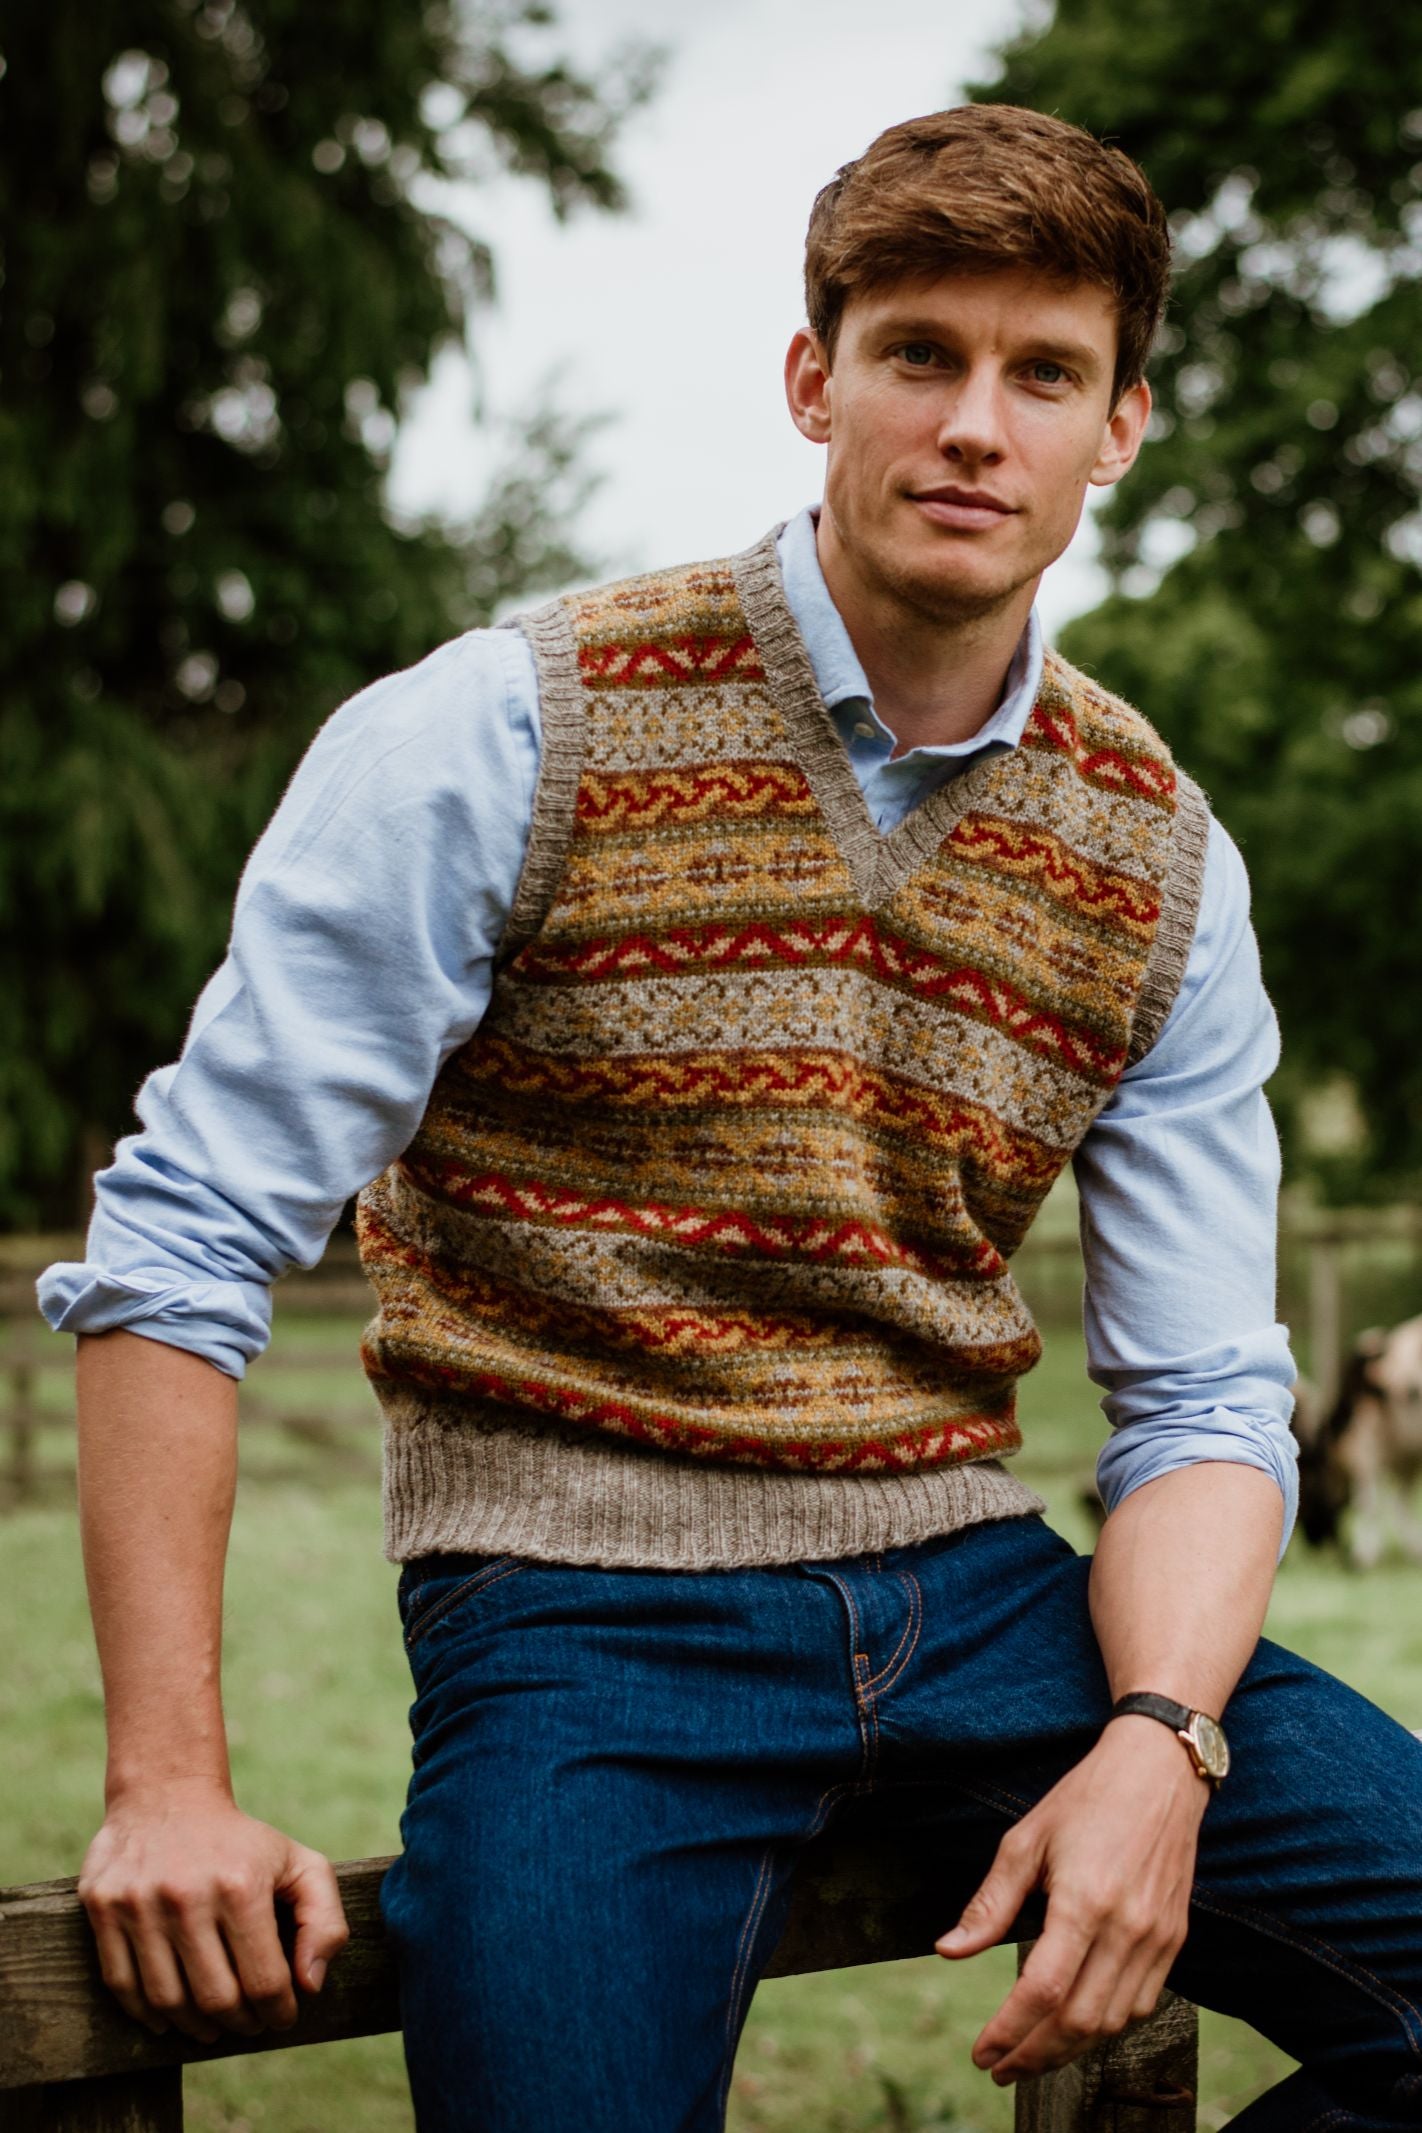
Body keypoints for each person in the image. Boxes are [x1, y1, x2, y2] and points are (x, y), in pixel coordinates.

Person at [38, 103, 1422, 2133]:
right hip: (574, 1612)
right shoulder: (505, 732)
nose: (976, 422)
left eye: (1044, 374)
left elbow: (1209, 1390)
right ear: (814, 380)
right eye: (919, 354)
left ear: (1121, 426)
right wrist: (164, 1776)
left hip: (984, 1597)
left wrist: (1158, 1733)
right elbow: (181, 1243)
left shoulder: (1160, 860)